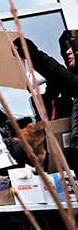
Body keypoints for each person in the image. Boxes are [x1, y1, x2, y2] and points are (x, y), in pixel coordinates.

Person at [13, 32, 78, 167]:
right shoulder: (63, 91)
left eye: (73, 47)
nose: (68, 52)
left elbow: (69, 81)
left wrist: (33, 54)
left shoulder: (71, 86)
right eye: (66, 48)